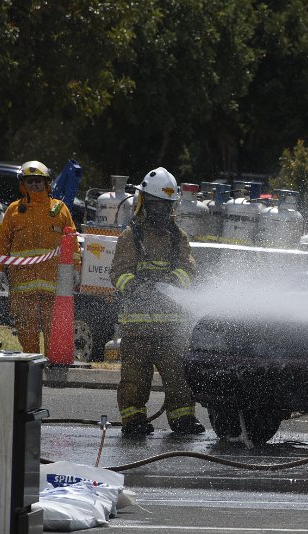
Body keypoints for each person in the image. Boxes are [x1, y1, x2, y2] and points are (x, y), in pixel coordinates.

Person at [110, 167, 205, 436]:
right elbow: (118, 273)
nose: (162, 212)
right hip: (137, 329)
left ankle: (183, 420)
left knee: (180, 378)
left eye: (167, 206)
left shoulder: (178, 237)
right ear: (143, 203)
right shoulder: (132, 236)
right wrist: (137, 288)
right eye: (156, 205)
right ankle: (134, 421)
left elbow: (189, 270)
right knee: (134, 381)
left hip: (173, 330)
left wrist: (173, 282)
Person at [0, 160, 79, 354]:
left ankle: (53, 360)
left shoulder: (60, 209)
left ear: (46, 183)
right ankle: (32, 362)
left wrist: (75, 267)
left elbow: (71, 240)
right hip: (22, 285)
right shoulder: (14, 210)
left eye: (38, 181)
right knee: (26, 328)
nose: (34, 185)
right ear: (23, 184)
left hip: (53, 283)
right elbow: (2, 242)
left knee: (53, 326)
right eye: (30, 181)